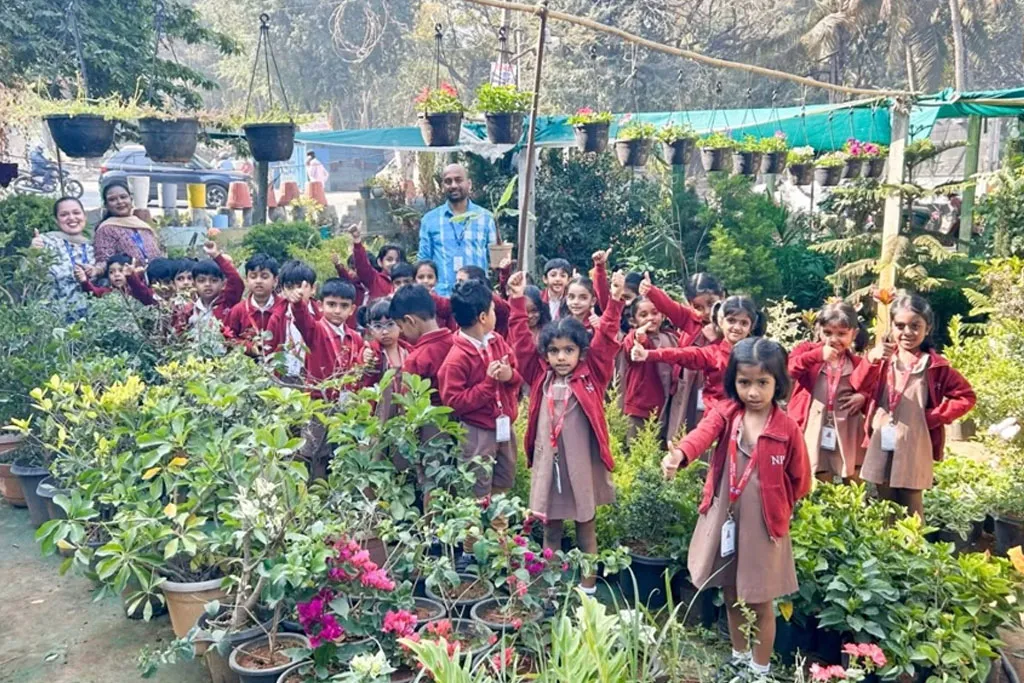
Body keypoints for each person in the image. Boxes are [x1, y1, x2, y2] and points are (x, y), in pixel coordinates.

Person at [664, 337, 811, 681]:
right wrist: (680, 454)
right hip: (725, 517)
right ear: (734, 381)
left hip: (764, 524)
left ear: (777, 383)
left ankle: (760, 670)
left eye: (763, 383)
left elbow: (800, 479)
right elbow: (701, 435)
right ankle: (739, 658)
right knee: (731, 590)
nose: (753, 392)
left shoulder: (787, 428)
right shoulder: (727, 414)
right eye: (744, 382)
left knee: (760, 599)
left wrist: (778, 506)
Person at [508, 269, 625, 592]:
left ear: (581, 353)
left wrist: (615, 301)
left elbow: (606, 338)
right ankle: (552, 587)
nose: (561, 357)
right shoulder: (539, 376)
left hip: (582, 465)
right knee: (551, 528)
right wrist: (516, 299)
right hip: (550, 465)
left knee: (586, 526)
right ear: (545, 354)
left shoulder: (592, 374)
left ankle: (588, 588)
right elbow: (521, 343)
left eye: (569, 350)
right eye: (554, 351)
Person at [854, 293, 976, 519]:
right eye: (900, 326)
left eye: (915, 326)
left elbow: (966, 396)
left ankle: (914, 540)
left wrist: (934, 417)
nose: (907, 332)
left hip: (915, 440)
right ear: (892, 326)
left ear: (927, 328)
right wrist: (872, 359)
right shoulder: (883, 359)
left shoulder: (935, 366)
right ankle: (886, 539)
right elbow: (858, 384)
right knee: (886, 500)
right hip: (882, 436)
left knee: (911, 499)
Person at [438, 278, 522, 498]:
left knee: (503, 480)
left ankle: (499, 519)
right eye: (493, 310)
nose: (496, 314)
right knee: (476, 487)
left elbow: (516, 374)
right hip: (477, 431)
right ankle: (477, 520)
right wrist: (488, 384)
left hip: (504, 425)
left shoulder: (497, 341)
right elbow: (454, 403)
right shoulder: (456, 358)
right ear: (483, 317)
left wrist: (509, 376)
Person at [283, 278, 364, 479]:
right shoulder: (317, 330)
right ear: (320, 305)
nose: (337, 310)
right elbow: (302, 321)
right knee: (315, 453)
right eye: (331, 304)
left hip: (345, 405)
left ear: (352, 309)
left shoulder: (355, 337)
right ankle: (313, 490)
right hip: (318, 404)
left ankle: (335, 490)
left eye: (343, 306)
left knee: (342, 451)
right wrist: (298, 304)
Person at [631, 295, 761, 415]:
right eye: (731, 321)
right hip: (716, 418)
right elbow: (681, 354)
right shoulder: (712, 353)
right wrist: (648, 354)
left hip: (748, 418)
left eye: (744, 323)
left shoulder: (759, 356)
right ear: (721, 322)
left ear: (751, 326)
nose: (737, 327)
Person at [788, 301, 870, 483]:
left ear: (854, 333)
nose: (833, 339)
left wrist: (863, 397)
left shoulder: (856, 363)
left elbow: (873, 387)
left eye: (841, 334)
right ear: (819, 330)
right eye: (827, 333)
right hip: (816, 423)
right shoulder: (806, 351)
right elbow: (789, 369)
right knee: (819, 468)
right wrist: (816, 356)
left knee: (853, 471)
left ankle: (853, 500)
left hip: (848, 426)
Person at [642, 272, 727, 436]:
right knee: (681, 424)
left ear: (722, 296)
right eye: (699, 307)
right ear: (690, 305)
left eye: (711, 303)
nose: (707, 312)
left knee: (707, 426)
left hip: (714, 386)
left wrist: (716, 340)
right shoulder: (690, 319)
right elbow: (669, 307)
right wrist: (651, 291)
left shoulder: (730, 324)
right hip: (687, 383)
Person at [417, 164, 497, 296]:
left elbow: (495, 261)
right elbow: (423, 261)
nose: (453, 185)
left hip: (477, 297)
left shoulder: (485, 217)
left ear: (469, 184)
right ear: (442, 186)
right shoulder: (430, 220)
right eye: (448, 181)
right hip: (443, 296)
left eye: (458, 180)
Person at [620, 292, 680, 443]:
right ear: (633, 321)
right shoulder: (633, 337)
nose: (650, 318)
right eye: (643, 315)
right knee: (637, 449)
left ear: (663, 315)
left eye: (655, 313)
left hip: (666, 406)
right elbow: (632, 347)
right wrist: (639, 337)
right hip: (640, 408)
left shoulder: (672, 338)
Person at [391, 284, 453, 407]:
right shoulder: (458, 342)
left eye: (400, 326)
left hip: (431, 417)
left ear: (410, 320)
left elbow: (408, 405)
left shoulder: (416, 360)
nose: (401, 332)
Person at [30, 197, 95, 306]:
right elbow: (31, 278)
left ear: (85, 216)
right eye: (64, 214)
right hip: (54, 312)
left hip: (95, 312)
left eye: (76, 213)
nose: (72, 218)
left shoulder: (93, 247)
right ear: (56, 220)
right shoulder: (46, 242)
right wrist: (33, 253)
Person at [93, 181, 164, 273]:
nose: (120, 202)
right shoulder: (106, 229)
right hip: (127, 279)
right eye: (112, 199)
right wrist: (97, 269)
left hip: (155, 277)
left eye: (123, 197)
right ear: (106, 205)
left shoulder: (142, 224)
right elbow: (104, 261)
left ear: (131, 199)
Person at [224, 253, 284, 358]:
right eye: (253, 276)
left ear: (275, 281)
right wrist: (249, 347)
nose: (258, 281)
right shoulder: (238, 310)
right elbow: (228, 338)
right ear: (246, 280)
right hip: (247, 364)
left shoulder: (284, 307)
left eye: (264, 277)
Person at [176, 241, 245, 329]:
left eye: (214, 280)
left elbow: (236, 281)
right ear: (194, 284)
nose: (207, 284)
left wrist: (216, 255)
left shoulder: (228, 302)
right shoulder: (189, 309)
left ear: (223, 283)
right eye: (201, 281)